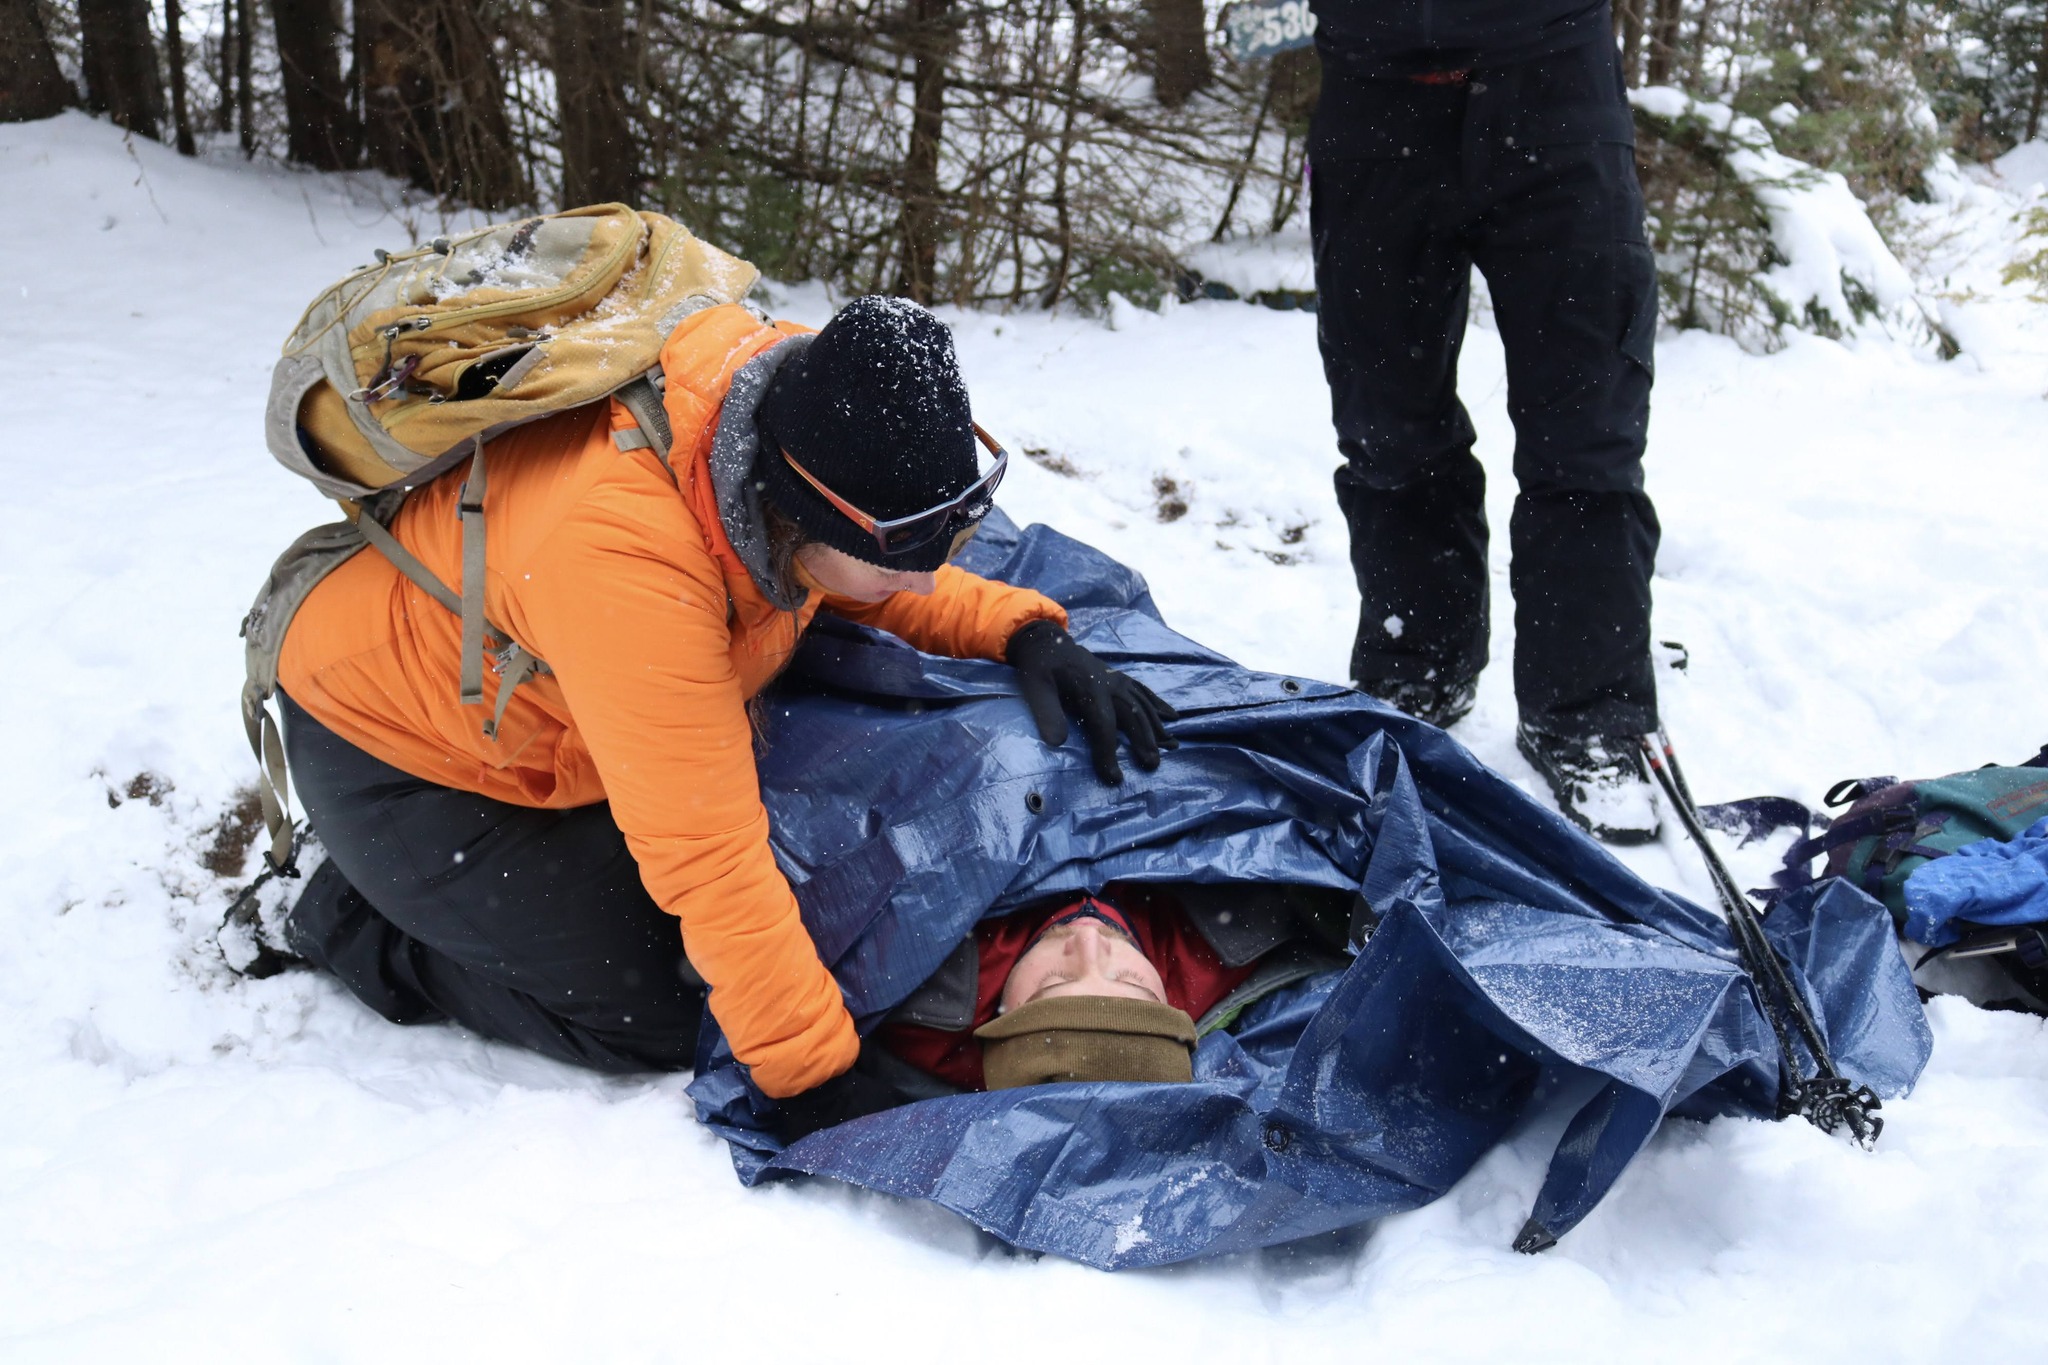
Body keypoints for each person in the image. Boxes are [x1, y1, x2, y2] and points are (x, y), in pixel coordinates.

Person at [271, 295, 1177, 1139]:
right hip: (399, 750)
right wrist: (812, 1076)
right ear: (800, 517)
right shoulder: (630, 560)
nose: (922, 584)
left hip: (568, 707)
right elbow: (707, 857)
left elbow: (858, 577)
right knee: (661, 1006)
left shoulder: (784, 426)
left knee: (738, 948)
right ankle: (341, 917)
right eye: (902, 560)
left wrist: (1019, 629)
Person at [1306, 1, 1663, 842]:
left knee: (1588, 430)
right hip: (1372, 82)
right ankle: (1415, 662)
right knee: (1385, 419)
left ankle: (1586, 710)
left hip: (1555, 78)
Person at [871, 884, 1350, 1095]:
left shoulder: (906, 982)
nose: (1088, 941)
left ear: (997, 1017)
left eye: (1053, 983)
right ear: (1169, 1002)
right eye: (1130, 981)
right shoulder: (1232, 941)